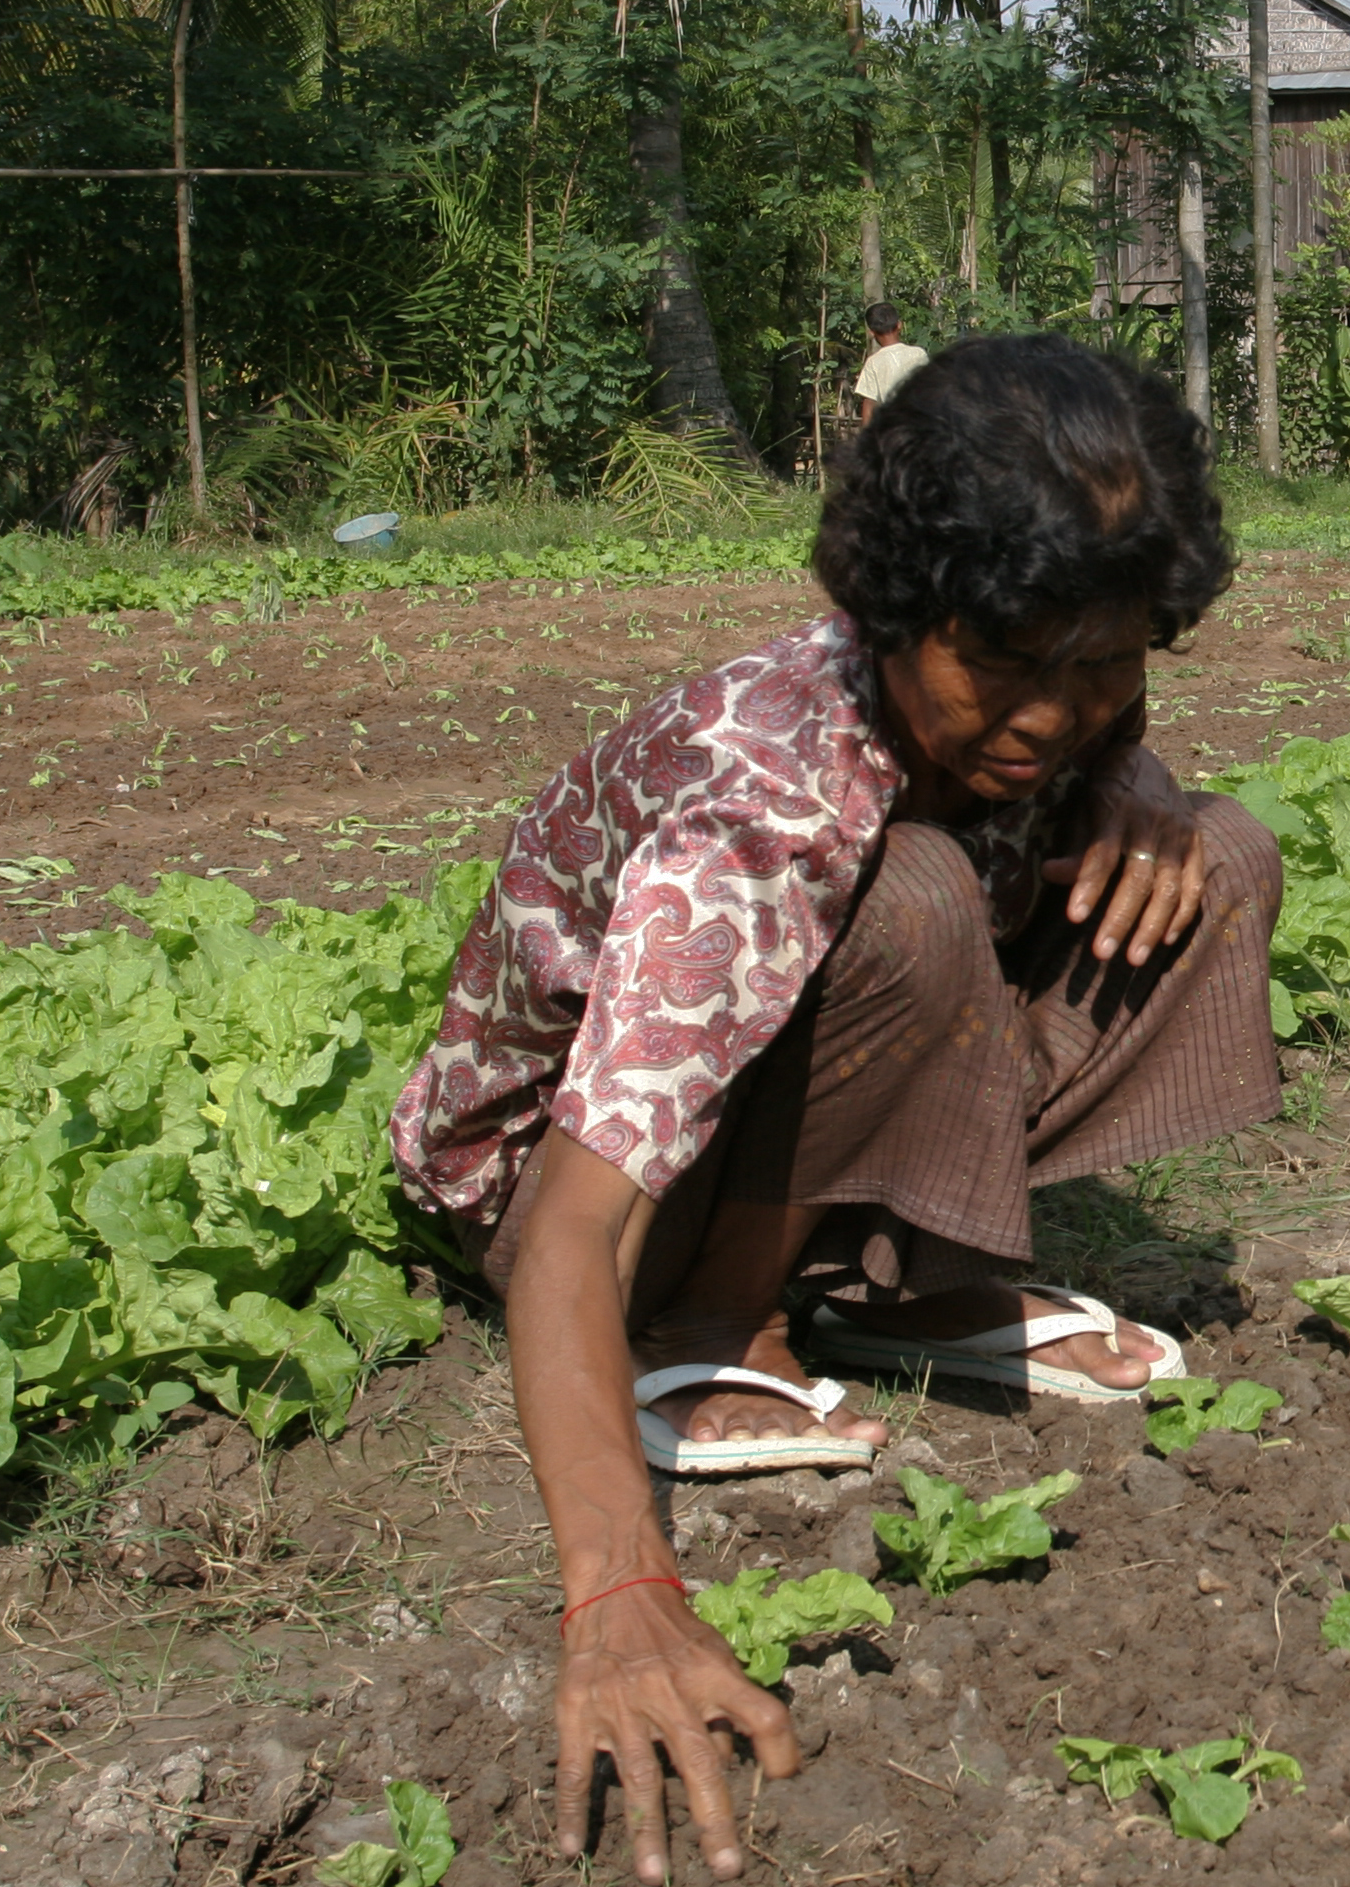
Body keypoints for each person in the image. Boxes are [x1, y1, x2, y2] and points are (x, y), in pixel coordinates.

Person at [388, 336, 1280, 1886]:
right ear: (886, 612)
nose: (1054, 715)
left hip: (779, 1093)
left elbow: (1088, 737)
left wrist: (1146, 787)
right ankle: (715, 1330)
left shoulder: (1049, 708)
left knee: (1218, 854)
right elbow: (572, 1237)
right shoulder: (760, 797)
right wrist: (616, 1597)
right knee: (918, 899)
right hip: (550, 1188)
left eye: (1106, 664)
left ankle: (910, 1282)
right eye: (1006, 662)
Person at [854, 301, 929, 420]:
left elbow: (869, 403)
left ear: (871, 332)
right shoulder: (918, 354)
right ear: (899, 325)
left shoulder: (873, 362)